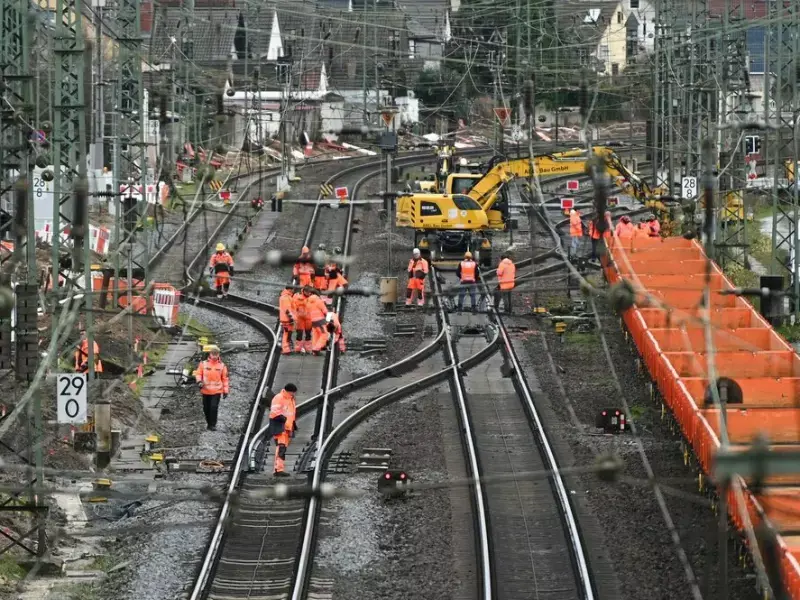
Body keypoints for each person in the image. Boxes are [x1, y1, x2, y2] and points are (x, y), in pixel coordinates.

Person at [194, 346, 229, 431]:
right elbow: (198, 373)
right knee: (206, 408)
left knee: (213, 407)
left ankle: (212, 424)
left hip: (216, 391)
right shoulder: (203, 364)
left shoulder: (222, 366)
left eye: (216, 354)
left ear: (218, 354)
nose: (214, 356)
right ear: (210, 354)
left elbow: (225, 379)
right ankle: (209, 423)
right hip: (205, 390)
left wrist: (225, 391)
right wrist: (199, 381)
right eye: (213, 354)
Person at [267, 383, 297, 477]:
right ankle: (278, 469)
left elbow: (291, 413)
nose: (294, 394)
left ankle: (279, 469)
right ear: (290, 391)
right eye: (293, 392)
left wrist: (292, 424)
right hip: (280, 426)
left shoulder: (290, 398)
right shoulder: (279, 397)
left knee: (282, 448)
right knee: (281, 447)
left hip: (287, 427)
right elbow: (274, 412)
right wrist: (284, 420)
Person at [291, 286, 314, 354]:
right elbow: (293, 306)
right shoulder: (297, 297)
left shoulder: (312, 298)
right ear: (304, 291)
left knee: (308, 334)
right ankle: (298, 349)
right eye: (307, 292)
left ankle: (308, 349)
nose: (309, 293)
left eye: (310, 292)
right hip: (300, 318)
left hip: (309, 318)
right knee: (299, 333)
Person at [308, 288, 330, 355]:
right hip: (320, 321)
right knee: (324, 334)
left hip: (313, 321)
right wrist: (329, 320)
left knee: (316, 335)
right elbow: (325, 311)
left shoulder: (308, 302)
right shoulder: (319, 301)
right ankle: (316, 349)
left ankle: (314, 350)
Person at [279, 285, 295, 354]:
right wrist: (291, 318)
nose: (294, 290)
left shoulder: (285, 296)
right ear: (290, 290)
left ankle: (287, 348)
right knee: (286, 334)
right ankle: (286, 349)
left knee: (288, 334)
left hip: (286, 319)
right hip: (287, 319)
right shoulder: (286, 298)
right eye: (293, 289)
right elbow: (287, 309)